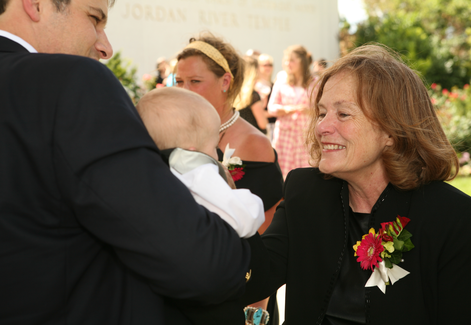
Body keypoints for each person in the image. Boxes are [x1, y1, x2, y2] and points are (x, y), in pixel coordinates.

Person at [0, 0, 253, 324]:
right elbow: (199, 261)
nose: (106, 47)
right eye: (95, 18)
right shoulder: (72, 83)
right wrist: (242, 252)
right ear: (35, 4)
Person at [239, 44, 471, 324]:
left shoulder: (448, 216)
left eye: (343, 114)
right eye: (321, 113)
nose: (321, 127)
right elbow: (253, 280)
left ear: (392, 131)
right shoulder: (305, 192)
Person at [175, 32, 283, 324]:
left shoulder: (254, 144)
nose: (184, 89)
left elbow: (265, 234)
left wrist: (254, 311)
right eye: (178, 81)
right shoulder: (172, 135)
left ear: (225, 82)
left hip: (236, 293)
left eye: (195, 81)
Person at [136, 87, 265, 238]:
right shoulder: (199, 175)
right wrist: (242, 197)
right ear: (192, 152)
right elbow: (244, 220)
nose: (216, 154)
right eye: (214, 147)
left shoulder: (149, 174)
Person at [268, 44, 314, 179]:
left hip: (305, 136)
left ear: (302, 62)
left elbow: (322, 108)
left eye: (292, 60)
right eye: (286, 60)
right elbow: (271, 107)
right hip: (285, 135)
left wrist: (309, 110)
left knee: (306, 172)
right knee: (282, 171)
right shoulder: (282, 79)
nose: (288, 63)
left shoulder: (315, 81)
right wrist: (287, 109)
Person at [235, 55, 267, 133]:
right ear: (254, 70)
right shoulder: (253, 96)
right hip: (253, 138)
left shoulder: (234, 92)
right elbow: (263, 124)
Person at [255, 53, 275, 141]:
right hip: (263, 126)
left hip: (275, 126)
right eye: (265, 65)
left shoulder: (274, 85)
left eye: (270, 65)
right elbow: (260, 110)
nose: (268, 67)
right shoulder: (256, 86)